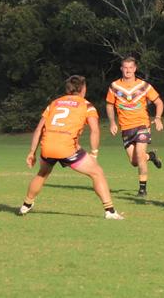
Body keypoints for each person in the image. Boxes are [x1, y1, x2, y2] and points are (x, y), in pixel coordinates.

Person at [19, 75, 124, 220]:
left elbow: (38, 129)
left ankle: (26, 205)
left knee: (42, 173)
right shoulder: (87, 106)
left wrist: (32, 152)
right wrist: (94, 153)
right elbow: (95, 130)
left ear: (67, 89)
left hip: (47, 145)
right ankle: (110, 211)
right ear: (83, 89)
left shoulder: (54, 103)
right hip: (66, 148)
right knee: (97, 172)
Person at [106, 56, 164, 197]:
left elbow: (159, 102)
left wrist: (157, 118)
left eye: (131, 67)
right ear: (121, 69)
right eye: (125, 67)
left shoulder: (144, 86)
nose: (128, 70)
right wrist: (113, 122)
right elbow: (109, 105)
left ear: (135, 69)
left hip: (142, 125)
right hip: (126, 127)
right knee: (134, 161)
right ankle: (151, 156)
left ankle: (142, 189)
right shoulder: (114, 87)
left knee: (139, 154)